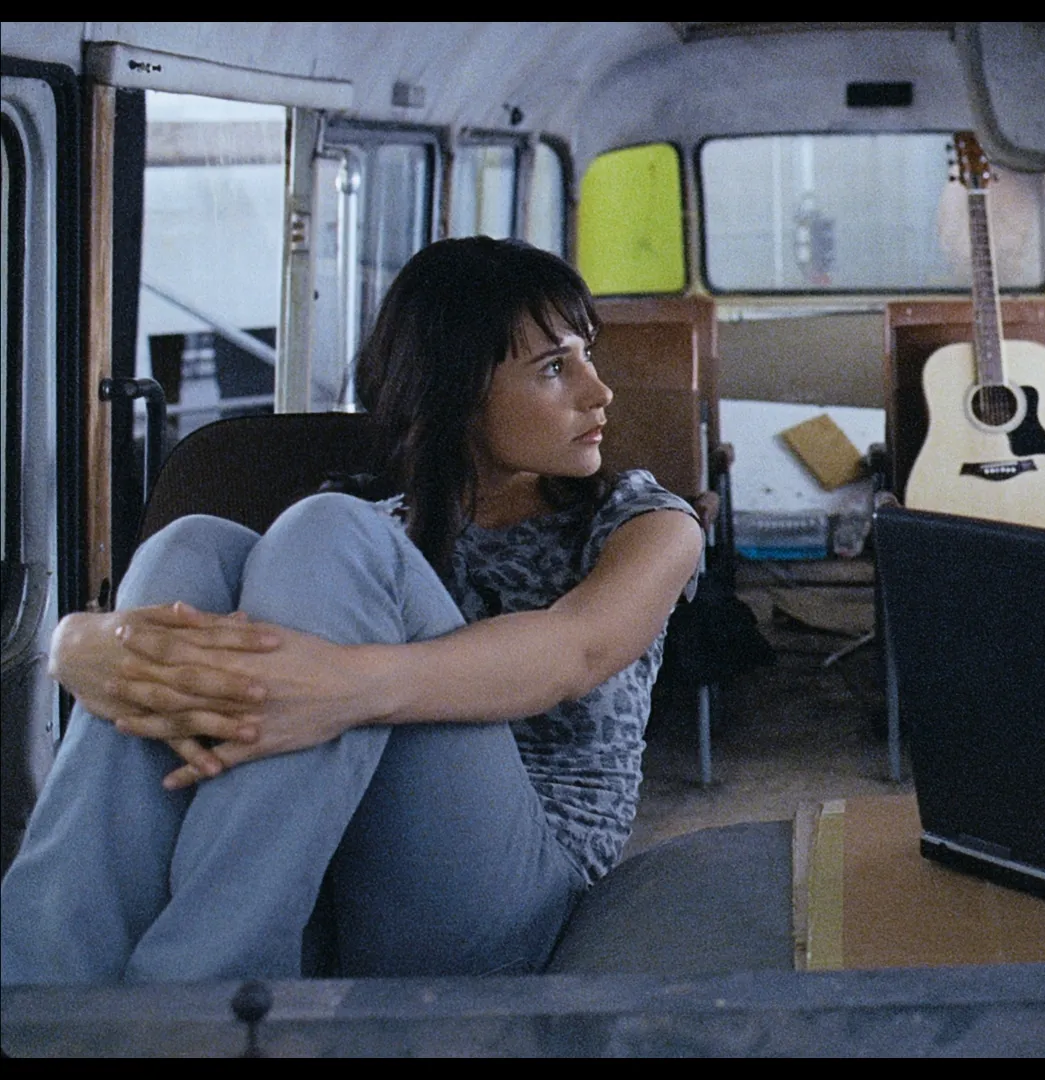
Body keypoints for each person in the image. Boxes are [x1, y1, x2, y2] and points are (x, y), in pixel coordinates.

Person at [0, 237, 705, 983]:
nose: (600, 393)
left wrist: (343, 688)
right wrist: (79, 642)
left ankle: (203, 991)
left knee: (327, 528)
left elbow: (576, 651)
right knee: (191, 548)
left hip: (505, 898)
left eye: (586, 357)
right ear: (456, 390)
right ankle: (39, 980)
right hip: (329, 884)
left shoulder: (645, 522)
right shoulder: (372, 532)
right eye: (555, 368)